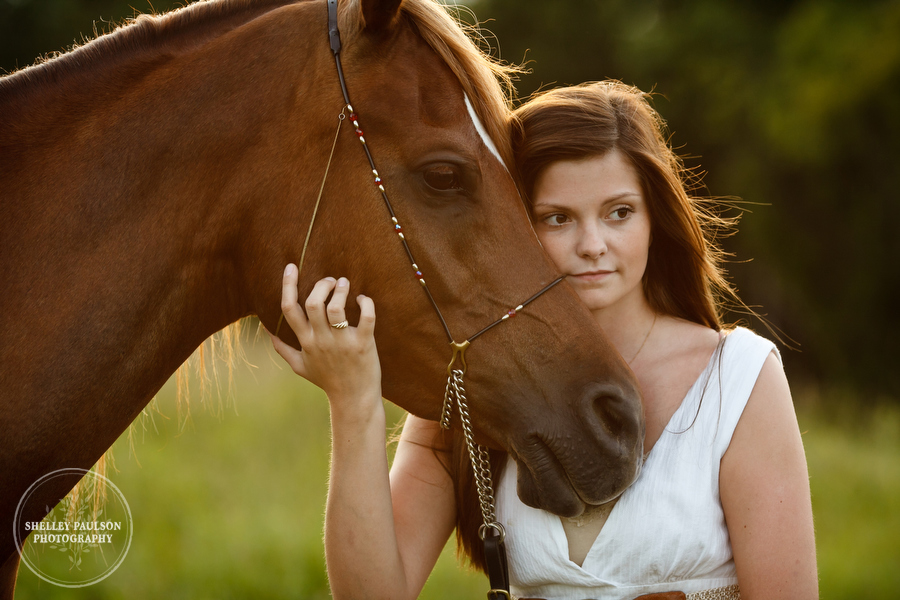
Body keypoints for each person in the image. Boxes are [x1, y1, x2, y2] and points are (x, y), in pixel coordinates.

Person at [270, 81, 818, 600]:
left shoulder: (739, 377)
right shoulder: (467, 379)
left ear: (655, 219)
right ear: (513, 228)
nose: (592, 244)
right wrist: (353, 400)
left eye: (619, 213)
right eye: (557, 219)